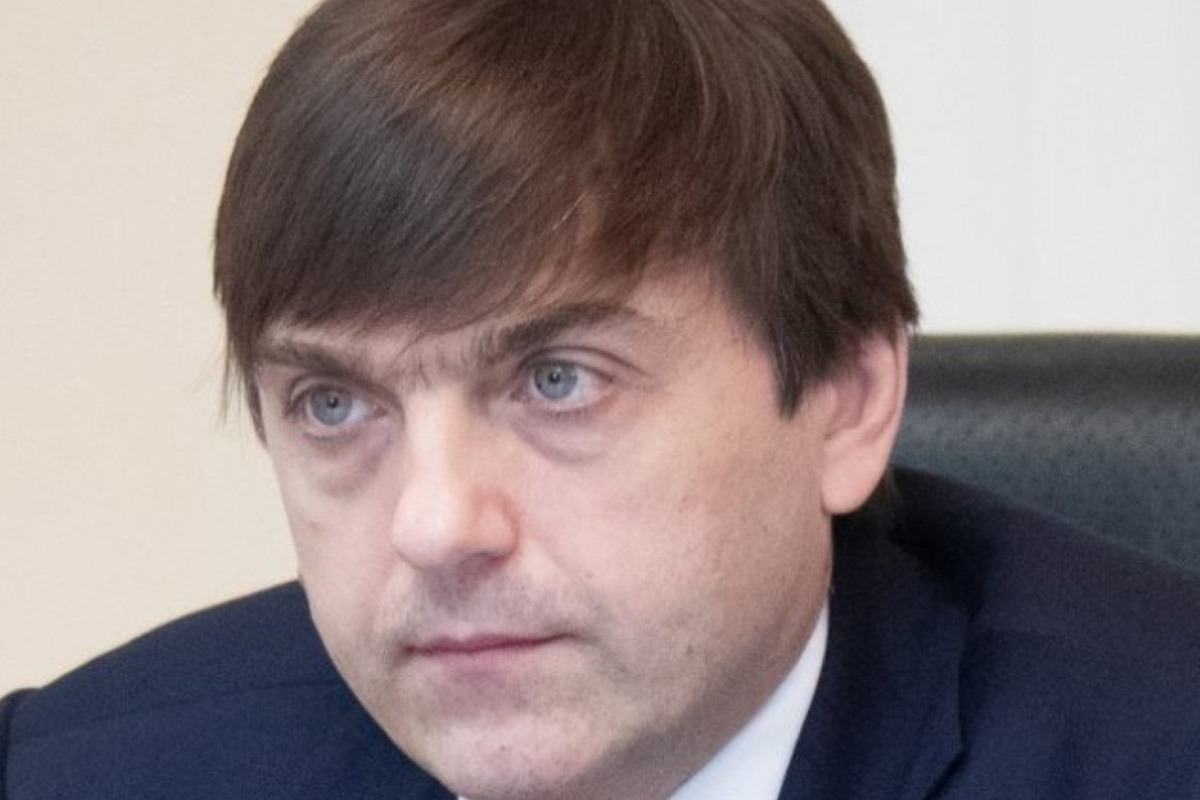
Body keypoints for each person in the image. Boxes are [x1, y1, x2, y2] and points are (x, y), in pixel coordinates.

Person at [3, 0, 1199, 797]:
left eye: (557, 380)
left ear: (846, 396)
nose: (435, 524)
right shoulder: (84, 773)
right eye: (333, 403)